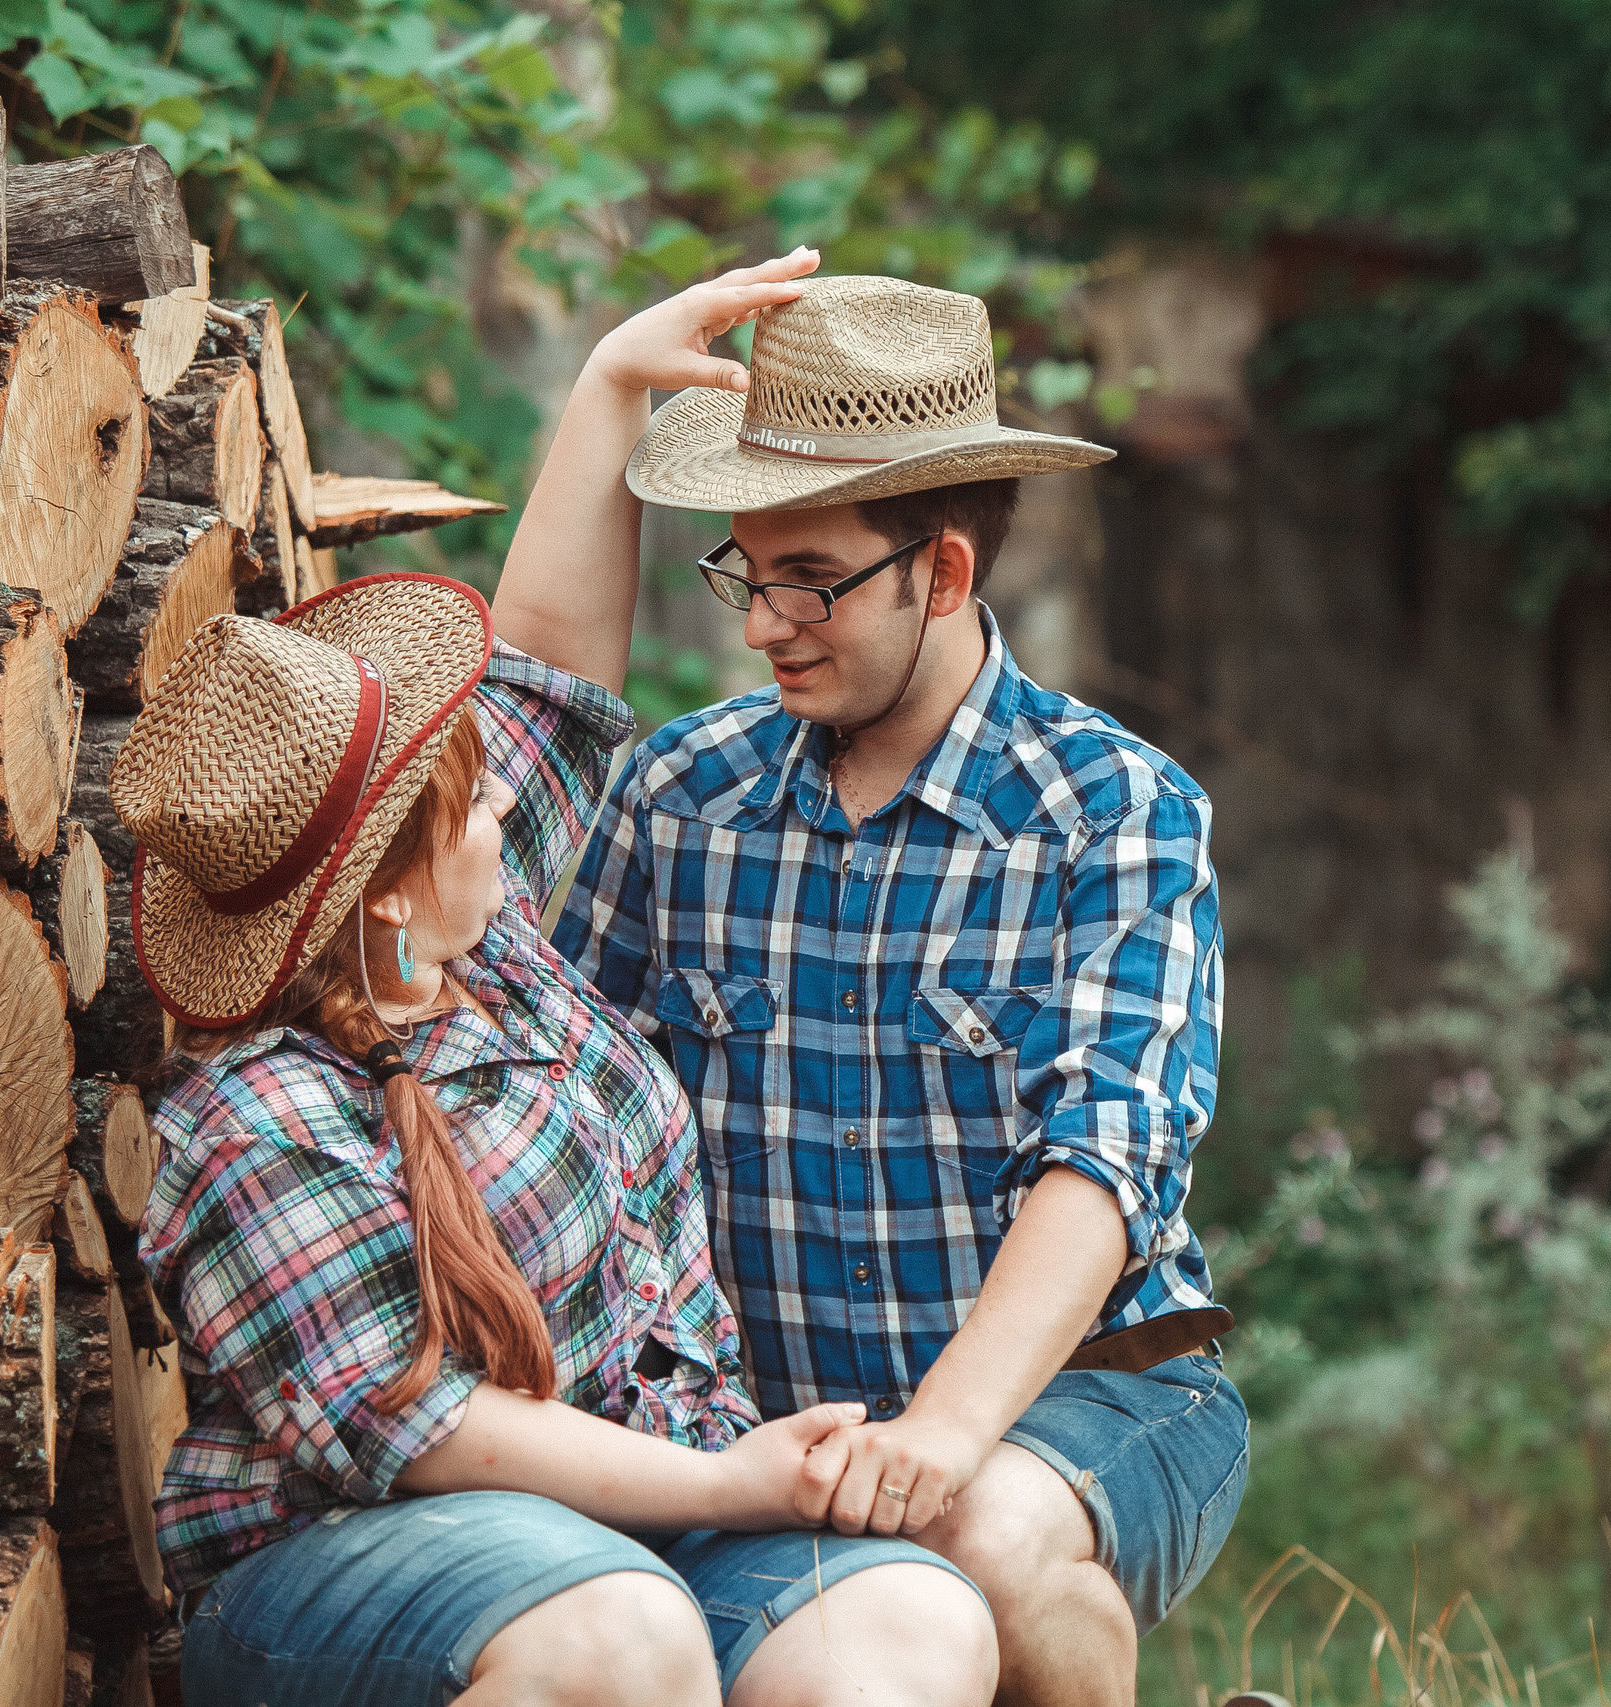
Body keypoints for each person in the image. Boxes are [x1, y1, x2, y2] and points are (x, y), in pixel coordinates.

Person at [122, 266, 999, 1706]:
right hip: (364, 1569)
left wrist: (612, 388)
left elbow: (542, 674)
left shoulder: (485, 954)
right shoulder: (256, 1122)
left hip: (650, 1516)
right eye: (467, 808)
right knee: (619, 1641)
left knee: (909, 1631)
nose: (505, 822)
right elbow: (430, 1433)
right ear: (393, 884)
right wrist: (733, 1478)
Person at [512, 252, 1250, 1707]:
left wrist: (951, 1432)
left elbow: (1106, 1163)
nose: (760, 623)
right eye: (743, 569)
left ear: (946, 572)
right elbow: (561, 1100)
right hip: (760, 1416)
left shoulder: (1117, 808)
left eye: (809, 581)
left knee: (972, 1534)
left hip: (1094, 1390)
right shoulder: (677, 796)